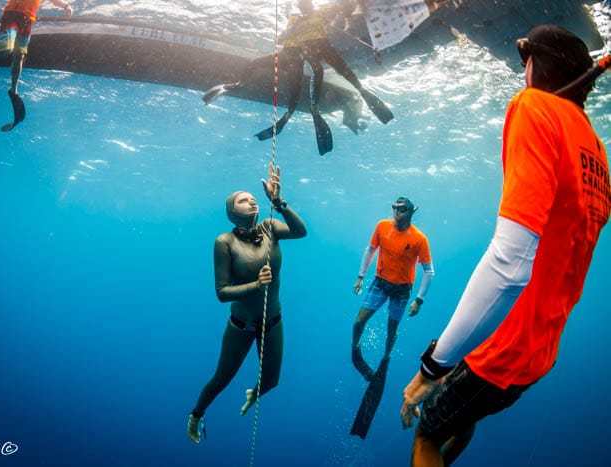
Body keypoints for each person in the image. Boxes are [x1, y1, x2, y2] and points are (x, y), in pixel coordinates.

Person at [400, 25, 609, 467]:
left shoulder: (534, 107)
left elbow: (510, 265)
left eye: (524, 62)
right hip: (540, 350)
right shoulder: (595, 149)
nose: (522, 74)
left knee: (428, 434)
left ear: (537, 66)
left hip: (506, 347)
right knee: (460, 414)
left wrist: (431, 369)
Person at [186, 162, 307, 444]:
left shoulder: (270, 227)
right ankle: (196, 415)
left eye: (252, 197)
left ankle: (254, 392)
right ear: (231, 212)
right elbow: (222, 292)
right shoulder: (224, 242)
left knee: (271, 382)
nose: (251, 199)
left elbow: (301, 232)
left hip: (273, 321)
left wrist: (278, 201)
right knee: (222, 379)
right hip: (240, 325)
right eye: (242, 199)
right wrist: (256, 284)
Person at [203, 0, 393, 156]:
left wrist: (347, 14)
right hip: (296, 54)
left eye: (307, 4)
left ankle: (314, 109)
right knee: (276, 74)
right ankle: (237, 85)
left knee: (326, 75)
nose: (305, 7)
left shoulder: (321, 12)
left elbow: (342, 10)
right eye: (303, 5)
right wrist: (295, 31)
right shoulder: (295, 19)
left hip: (312, 50)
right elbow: (283, 40)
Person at [352, 197, 434, 380]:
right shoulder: (382, 226)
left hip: (402, 290)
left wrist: (419, 300)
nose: (397, 212)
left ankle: (386, 357)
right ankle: (354, 348)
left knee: (391, 329)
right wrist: (360, 276)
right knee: (358, 321)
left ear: (411, 212)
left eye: (402, 209)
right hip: (380, 283)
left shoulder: (420, 239)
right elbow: (370, 249)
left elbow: (429, 271)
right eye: (394, 208)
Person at [0, 0, 72, 131]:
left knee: (20, 55)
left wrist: (66, 6)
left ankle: (14, 90)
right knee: (5, 50)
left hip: (27, 20)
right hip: (11, 15)